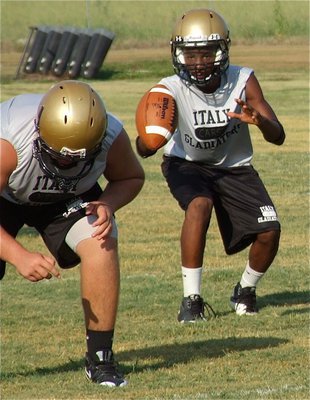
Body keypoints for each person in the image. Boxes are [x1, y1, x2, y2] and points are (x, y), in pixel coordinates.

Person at [136, 9, 285, 323]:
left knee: (270, 231)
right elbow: (144, 148)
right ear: (178, 55)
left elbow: (279, 135)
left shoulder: (243, 80)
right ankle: (192, 300)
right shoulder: (169, 88)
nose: (199, 62)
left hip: (234, 166)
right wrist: (151, 139)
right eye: (190, 55)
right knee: (199, 204)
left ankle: (244, 290)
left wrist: (259, 122)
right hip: (186, 164)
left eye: (206, 54)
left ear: (223, 51)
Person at [0, 80, 145, 386]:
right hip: (6, 196)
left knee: (101, 236)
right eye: (59, 155)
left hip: (66, 196)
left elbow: (131, 176)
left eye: (76, 158)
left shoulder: (109, 136)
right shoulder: (10, 140)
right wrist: (19, 255)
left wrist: (107, 203)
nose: (65, 162)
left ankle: (100, 358)